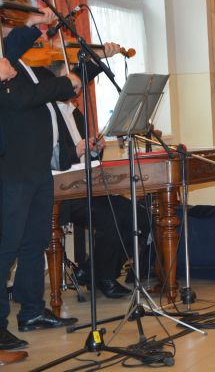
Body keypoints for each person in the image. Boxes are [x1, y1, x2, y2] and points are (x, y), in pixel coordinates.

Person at [0, 26, 82, 350]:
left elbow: (52, 83)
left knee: (35, 242)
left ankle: (32, 311)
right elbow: (24, 99)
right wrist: (63, 84)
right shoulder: (6, 72)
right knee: (6, 248)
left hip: (38, 169)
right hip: (14, 171)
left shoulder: (25, 66)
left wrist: (39, 23)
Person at [46, 58, 145, 299]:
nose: (76, 90)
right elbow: (50, 159)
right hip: (65, 194)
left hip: (90, 188)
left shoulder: (76, 113)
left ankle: (93, 272)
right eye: (70, 83)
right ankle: (105, 277)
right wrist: (76, 151)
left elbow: (87, 156)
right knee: (112, 220)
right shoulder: (47, 114)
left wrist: (93, 149)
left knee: (138, 215)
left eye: (77, 86)